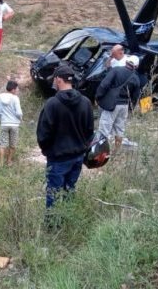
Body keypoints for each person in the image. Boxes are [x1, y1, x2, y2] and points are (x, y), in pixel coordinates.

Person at [37, 65, 94, 211]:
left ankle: (51, 226)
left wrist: (47, 150)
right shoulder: (86, 102)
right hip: (78, 156)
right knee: (70, 189)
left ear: (58, 79)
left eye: (54, 79)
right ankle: (67, 220)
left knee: (53, 193)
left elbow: (43, 134)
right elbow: (90, 131)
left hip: (58, 158)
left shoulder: (52, 104)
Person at [96, 55, 141, 153]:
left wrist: (98, 96)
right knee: (119, 130)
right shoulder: (136, 78)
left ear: (126, 62)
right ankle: (116, 152)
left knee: (104, 129)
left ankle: (100, 153)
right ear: (136, 66)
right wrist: (130, 108)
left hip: (112, 105)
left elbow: (104, 84)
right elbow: (135, 97)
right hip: (124, 106)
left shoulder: (116, 70)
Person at [0, 80, 23, 167]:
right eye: (17, 89)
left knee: (2, 144)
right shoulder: (15, 98)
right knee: (13, 144)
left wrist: (0, 119)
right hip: (14, 124)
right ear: (13, 89)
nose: (17, 91)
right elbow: (19, 113)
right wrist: (20, 119)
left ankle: (1, 163)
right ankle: (9, 161)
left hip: (4, 124)